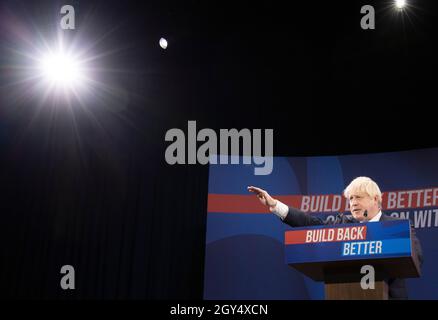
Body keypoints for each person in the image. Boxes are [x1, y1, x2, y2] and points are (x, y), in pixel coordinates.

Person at [248, 176, 423, 300]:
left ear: (375, 199)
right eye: (351, 198)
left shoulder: (398, 227)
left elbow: (417, 257)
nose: (353, 202)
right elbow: (310, 223)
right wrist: (274, 205)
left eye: (358, 197)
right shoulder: (342, 224)